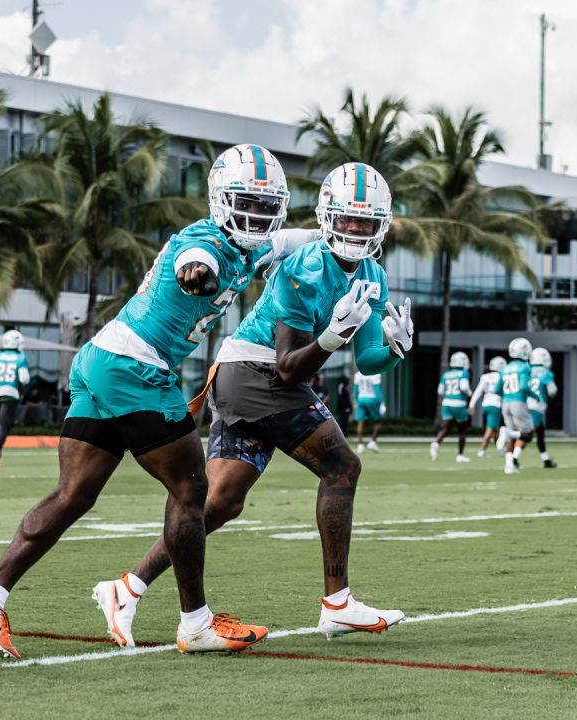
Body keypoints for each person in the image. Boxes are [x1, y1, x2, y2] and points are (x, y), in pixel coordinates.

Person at [0, 144, 316, 658]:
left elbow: (300, 238)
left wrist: (344, 235)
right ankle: (195, 623)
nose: (256, 214)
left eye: (264, 204)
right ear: (219, 199)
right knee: (193, 492)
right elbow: (196, 260)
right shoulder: (206, 239)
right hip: (135, 367)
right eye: (246, 202)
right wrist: (199, 275)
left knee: (73, 495)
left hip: (102, 357)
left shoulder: (251, 245)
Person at [92, 162, 412, 649]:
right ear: (327, 217)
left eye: (365, 222)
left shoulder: (371, 274)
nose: (354, 229)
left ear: (380, 226)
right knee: (342, 467)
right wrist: (330, 337)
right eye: (346, 218)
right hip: (256, 374)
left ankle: (126, 589)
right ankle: (338, 604)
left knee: (220, 502)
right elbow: (289, 368)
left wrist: (393, 350)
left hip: (250, 377)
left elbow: (367, 359)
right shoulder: (306, 264)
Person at [0, 331, 31, 465]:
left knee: (2, 422)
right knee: (5, 425)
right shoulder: (20, 358)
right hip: (11, 392)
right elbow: (24, 378)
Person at [497, 337, 545, 475]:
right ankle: (507, 432)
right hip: (518, 402)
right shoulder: (524, 367)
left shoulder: (505, 368)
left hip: (505, 402)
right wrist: (535, 396)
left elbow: (496, 389)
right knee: (528, 435)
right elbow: (524, 387)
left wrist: (507, 395)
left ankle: (508, 466)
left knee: (512, 438)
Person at [431, 352, 472, 462]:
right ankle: (460, 455)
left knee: (447, 428)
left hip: (447, 403)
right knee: (462, 431)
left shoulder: (446, 374)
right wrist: (469, 394)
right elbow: (464, 388)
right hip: (459, 403)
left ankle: (435, 444)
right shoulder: (463, 373)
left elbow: (440, 391)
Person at [468, 356, 506, 458]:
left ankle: (500, 449)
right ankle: (482, 449)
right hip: (496, 405)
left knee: (495, 429)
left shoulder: (485, 377)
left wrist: (472, 404)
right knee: (490, 430)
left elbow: (478, 392)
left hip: (486, 404)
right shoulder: (503, 376)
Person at [527, 348, 558, 469]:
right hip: (536, 406)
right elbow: (552, 391)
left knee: (540, 433)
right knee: (527, 435)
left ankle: (546, 460)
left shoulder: (526, 370)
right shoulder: (545, 372)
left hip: (524, 404)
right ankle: (507, 435)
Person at [353, 370, 384, 453]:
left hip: (361, 399)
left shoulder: (357, 374)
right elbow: (377, 390)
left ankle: (360, 445)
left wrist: (356, 401)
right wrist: (382, 403)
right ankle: (373, 442)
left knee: (360, 422)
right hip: (371, 398)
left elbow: (356, 390)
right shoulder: (376, 373)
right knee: (378, 421)